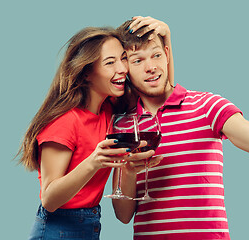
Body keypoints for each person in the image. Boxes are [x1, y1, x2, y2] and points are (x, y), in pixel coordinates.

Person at [112, 17, 249, 240]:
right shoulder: (123, 126)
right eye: (138, 61)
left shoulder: (208, 106)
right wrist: (128, 170)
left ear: (167, 54)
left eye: (156, 55)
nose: (151, 67)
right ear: (125, 67)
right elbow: (123, 215)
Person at [16, 26, 161, 240]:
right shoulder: (64, 122)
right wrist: (93, 162)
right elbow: (49, 198)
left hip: (90, 224)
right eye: (110, 62)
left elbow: (160, 94)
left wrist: (165, 37)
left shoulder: (110, 110)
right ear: (86, 74)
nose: (122, 69)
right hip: (58, 229)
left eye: (123, 59)